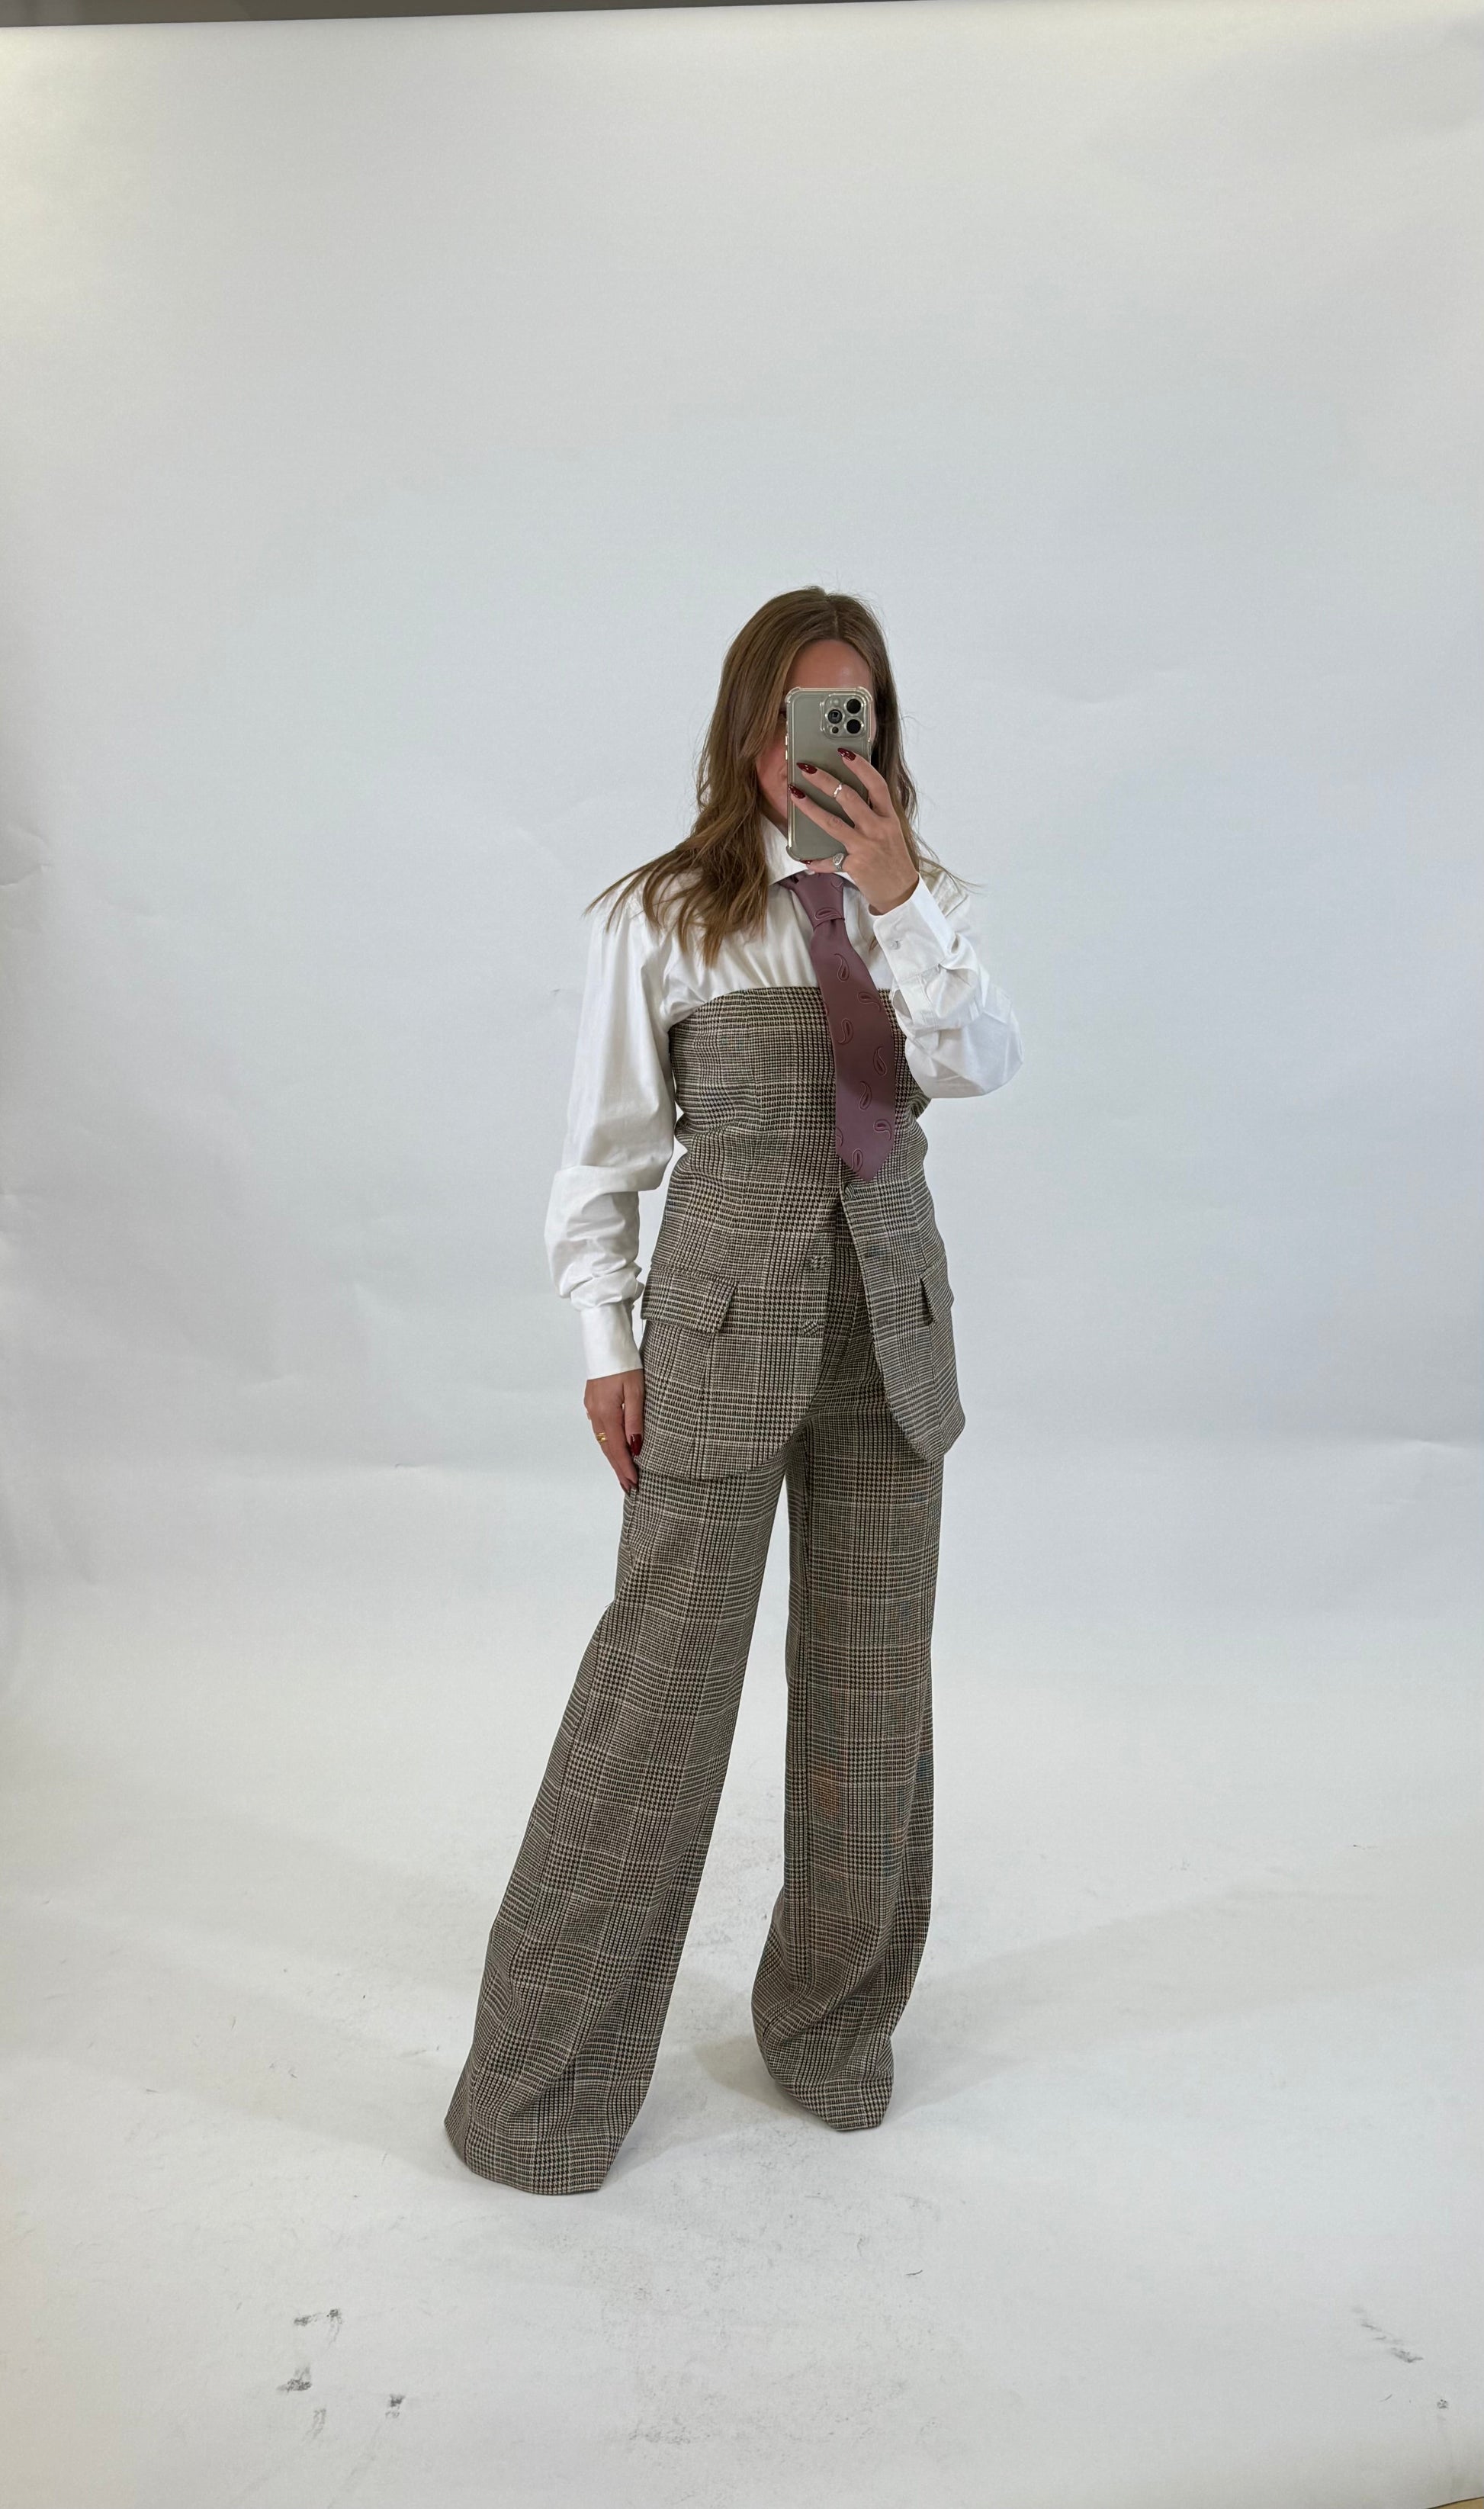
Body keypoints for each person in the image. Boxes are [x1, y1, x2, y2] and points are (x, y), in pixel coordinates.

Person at [444, 586, 1024, 2195]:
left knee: (871, 1695)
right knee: (655, 1699)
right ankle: (539, 2086)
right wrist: (605, 1346)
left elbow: (979, 1065)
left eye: (849, 716)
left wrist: (896, 899)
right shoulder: (662, 914)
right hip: (714, 1329)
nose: (813, 747)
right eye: (790, 717)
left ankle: (830, 2030)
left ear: (880, 733)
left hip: (891, 1329)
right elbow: (603, 1157)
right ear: (743, 729)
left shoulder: (925, 903)